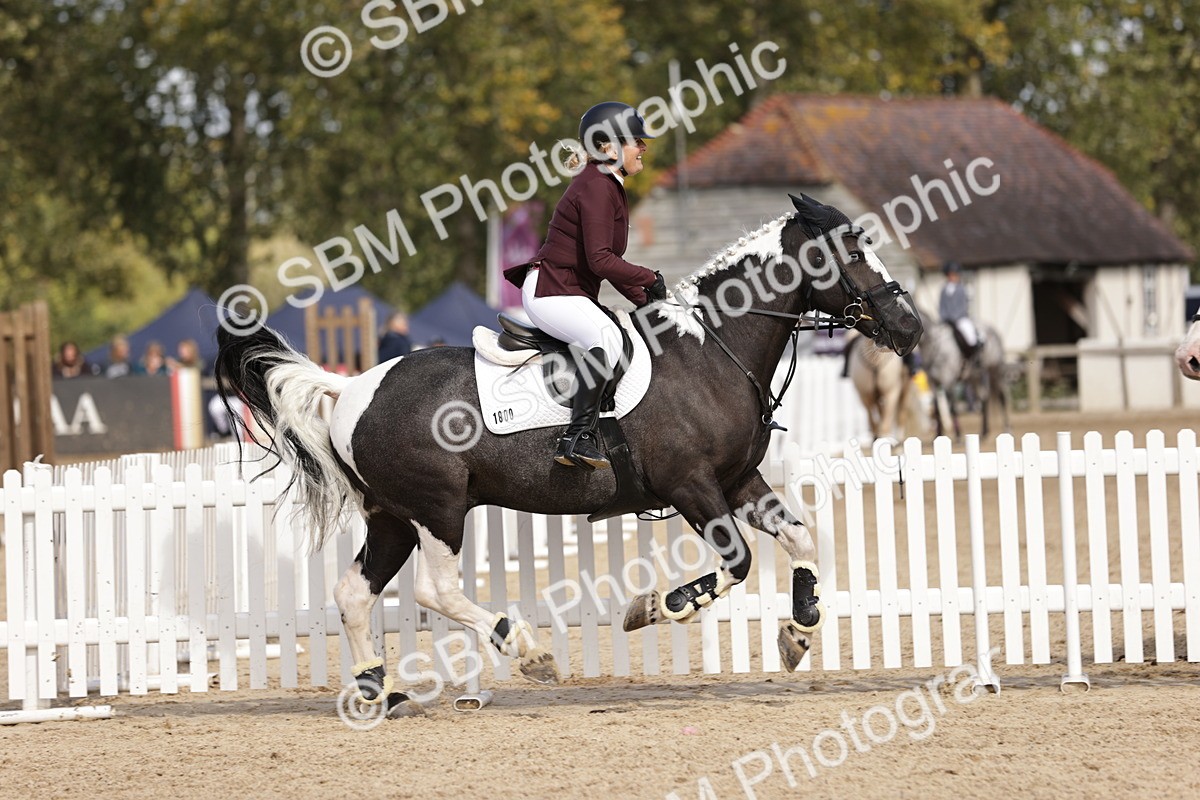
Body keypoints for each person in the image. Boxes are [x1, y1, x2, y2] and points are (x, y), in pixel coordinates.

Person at [503, 101, 666, 470]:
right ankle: (576, 437)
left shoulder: (607, 185)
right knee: (605, 340)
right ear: (608, 147)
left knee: (618, 335)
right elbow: (601, 261)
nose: (643, 147)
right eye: (636, 140)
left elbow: (604, 266)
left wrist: (646, 299)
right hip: (551, 291)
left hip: (566, 290)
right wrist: (650, 279)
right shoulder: (596, 187)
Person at [939, 261, 981, 360]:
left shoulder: (962, 289)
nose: (952, 277)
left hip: (960, 318)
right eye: (950, 275)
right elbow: (941, 306)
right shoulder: (944, 290)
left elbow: (962, 306)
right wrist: (943, 317)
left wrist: (954, 318)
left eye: (954, 275)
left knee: (970, 336)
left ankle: (974, 355)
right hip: (947, 320)